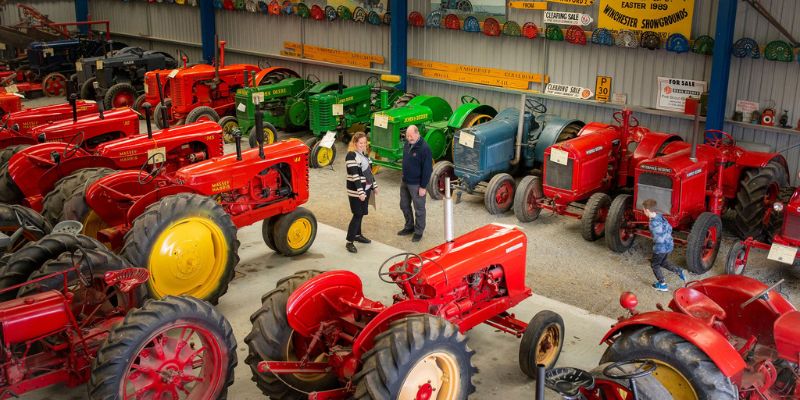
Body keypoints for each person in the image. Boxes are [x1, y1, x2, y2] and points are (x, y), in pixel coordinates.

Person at [398, 125, 432, 242]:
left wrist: (423, 187)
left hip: (416, 184)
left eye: (411, 136)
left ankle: (418, 232)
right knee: (404, 205)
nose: (409, 138)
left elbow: (427, 170)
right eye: (407, 136)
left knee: (419, 209)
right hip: (405, 181)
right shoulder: (407, 144)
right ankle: (409, 226)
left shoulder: (424, 148)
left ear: (417, 133)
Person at [642, 199, 686, 291]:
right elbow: (670, 228)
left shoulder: (653, 224)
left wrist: (656, 247)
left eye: (644, 210)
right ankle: (678, 271)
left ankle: (662, 284)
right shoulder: (660, 216)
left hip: (661, 248)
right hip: (670, 245)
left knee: (655, 265)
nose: (643, 212)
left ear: (647, 210)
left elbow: (659, 239)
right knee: (663, 262)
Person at [344, 132, 377, 253]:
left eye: (364, 143)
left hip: (366, 189)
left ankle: (357, 235)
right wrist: (360, 192)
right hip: (356, 191)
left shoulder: (365, 155)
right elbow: (355, 176)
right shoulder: (351, 155)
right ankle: (349, 241)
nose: (363, 145)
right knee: (357, 214)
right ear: (355, 143)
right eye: (360, 143)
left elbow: (369, 172)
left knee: (362, 213)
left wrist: (374, 186)